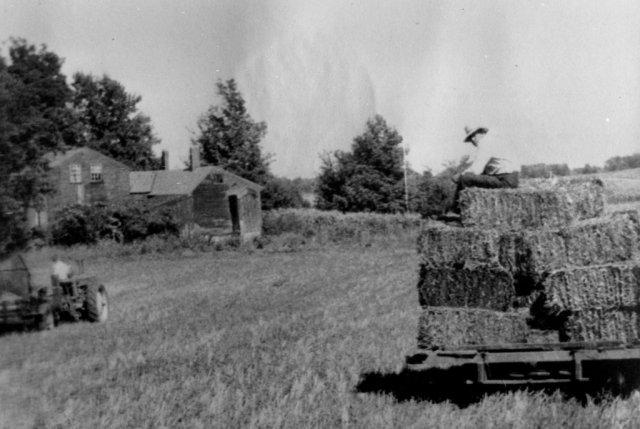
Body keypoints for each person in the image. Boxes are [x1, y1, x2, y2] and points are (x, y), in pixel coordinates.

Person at [452, 126, 520, 212]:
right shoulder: (496, 140)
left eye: (474, 135)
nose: (472, 139)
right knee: (475, 177)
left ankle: (458, 209)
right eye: (470, 138)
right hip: (510, 179)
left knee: (465, 178)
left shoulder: (485, 143)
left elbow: (476, 169)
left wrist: (460, 175)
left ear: (482, 132)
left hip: (505, 181)